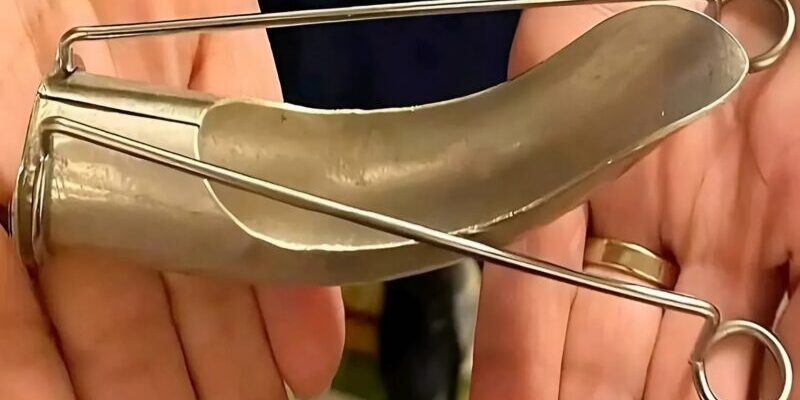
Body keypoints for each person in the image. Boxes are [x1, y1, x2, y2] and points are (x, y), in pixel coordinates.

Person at [0, 1, 797, 400]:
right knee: (317, 95)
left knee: (431, 169)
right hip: (275, 56)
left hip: (480, 63)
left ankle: (427, 294)